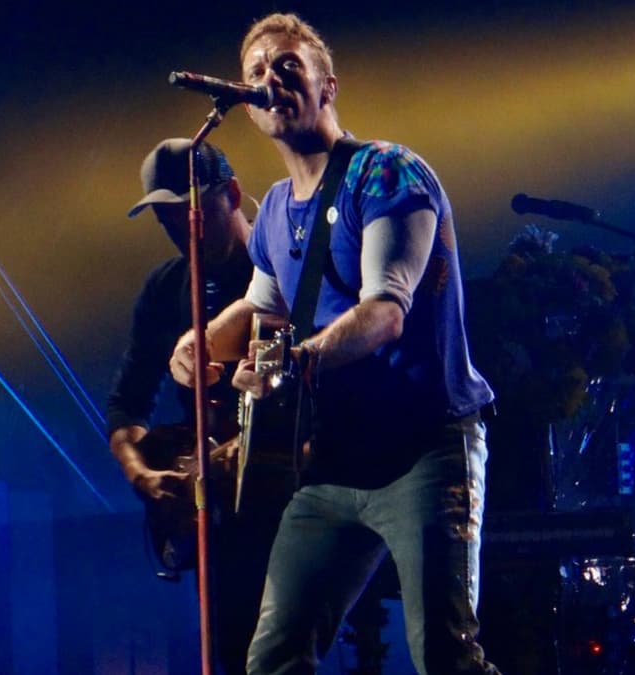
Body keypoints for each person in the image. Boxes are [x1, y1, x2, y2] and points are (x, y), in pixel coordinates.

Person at [168, 12, 500, 675]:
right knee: (274, 658)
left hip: (426, 449)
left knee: (446, 655)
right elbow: (265, 302)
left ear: (328, 85)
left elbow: (386, 310)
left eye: (288, 66)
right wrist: (199, 342)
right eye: (257, 71)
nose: (270, 80)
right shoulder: (276, 212)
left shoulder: (386, 174)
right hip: (335, 466)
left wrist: (293, 365)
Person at [107, 138, 286, 675]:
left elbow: (298, 384)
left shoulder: (281, 272)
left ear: (231, 194)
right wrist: (143, 475)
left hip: (286, 500)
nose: (177, 230)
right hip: (217, 510)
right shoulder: (165, 289)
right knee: (228, 652)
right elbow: (127, 401)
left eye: (187, 213)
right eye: (164, 219)